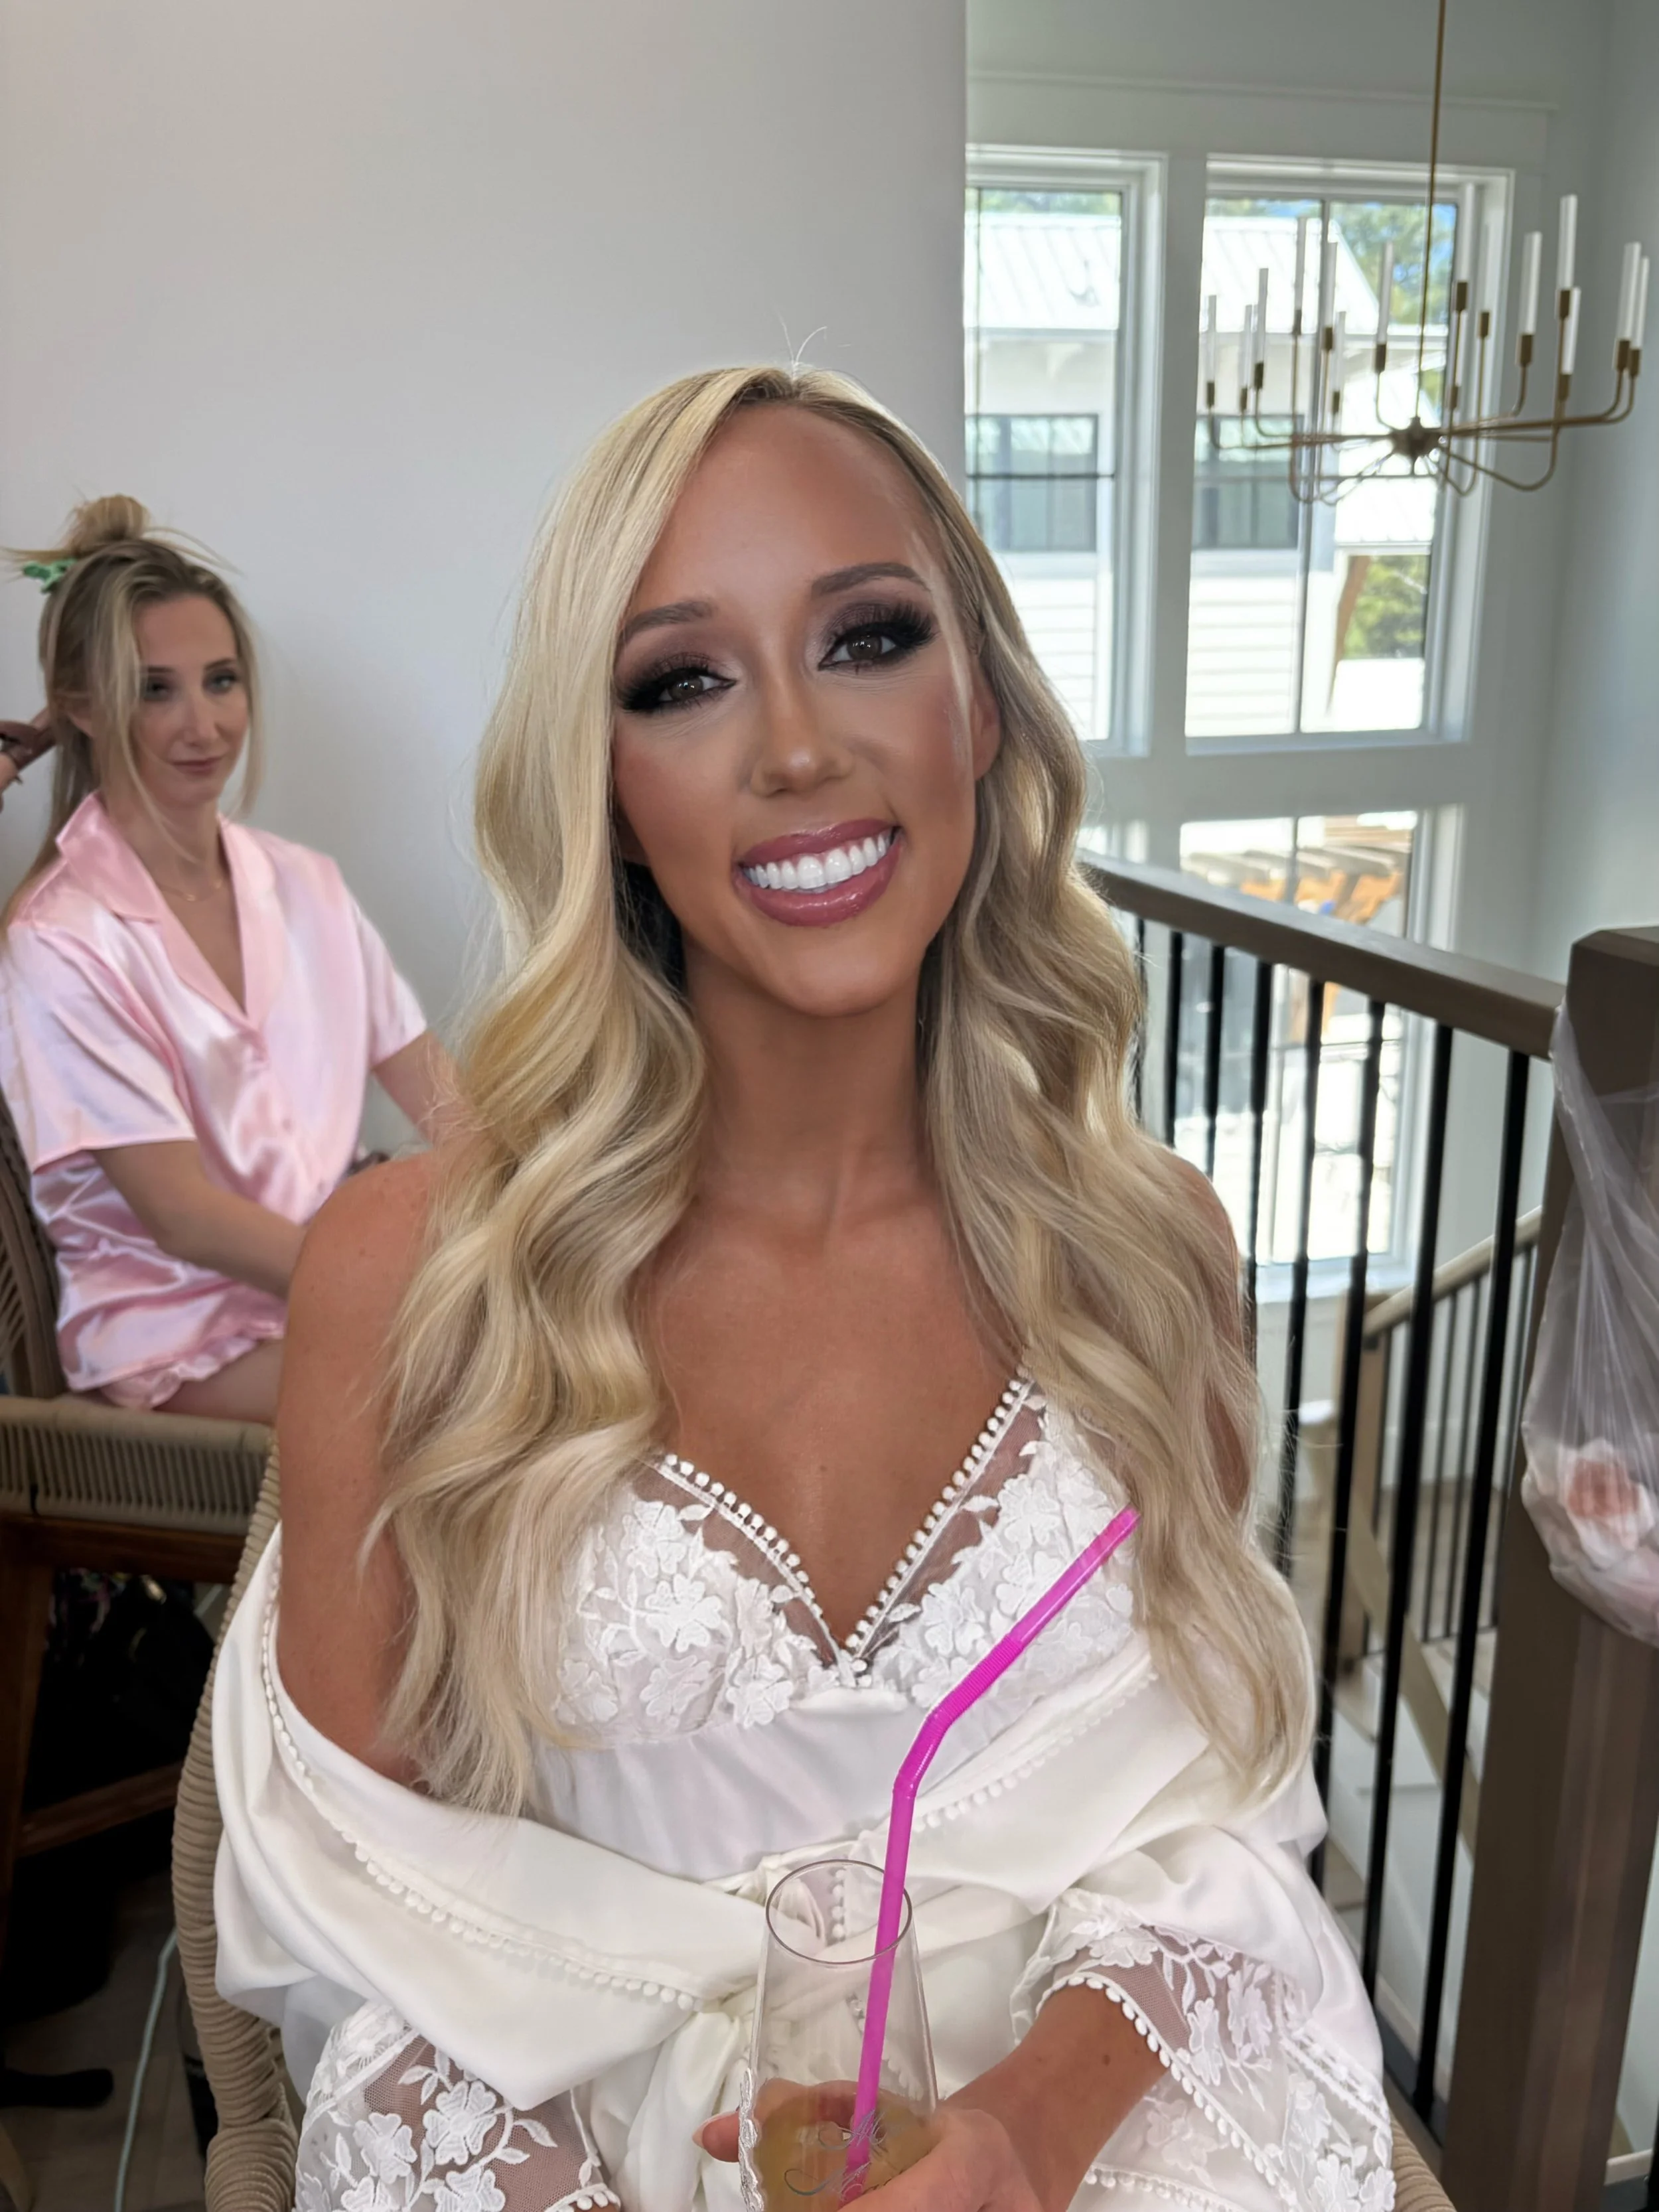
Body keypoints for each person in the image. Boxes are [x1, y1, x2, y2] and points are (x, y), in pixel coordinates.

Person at [212, 370, 1394, 2212]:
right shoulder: (417, 1279)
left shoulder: (1151, 1254)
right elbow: (368, 1934)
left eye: (866, 638)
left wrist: (1016, 2136)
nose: (794, 748)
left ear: (976, 708)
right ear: (605, 785)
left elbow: (1215, 1817)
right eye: (683, 679)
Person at [0, 498, 452, 1424]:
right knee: (472, 1416)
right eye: (155, 689)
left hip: (327, 1290)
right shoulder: (60, 938)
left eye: (221, 681)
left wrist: (543, 1233)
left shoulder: (304, 886)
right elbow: (180, 1215)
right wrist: (406, 1296)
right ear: (81, 707)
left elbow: (445, 1099)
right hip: (177, 1338)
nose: (202, 725)